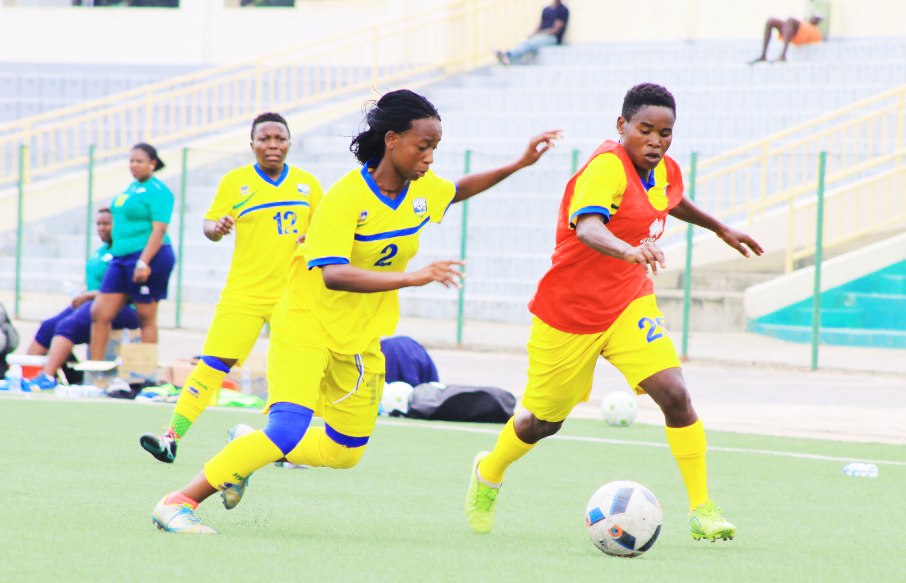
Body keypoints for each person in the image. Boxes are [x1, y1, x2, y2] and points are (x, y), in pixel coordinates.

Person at [150, 88, 562, 534]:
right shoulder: (345, 197)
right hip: (306, 324)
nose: (429, 157)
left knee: (344, 451)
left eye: (434, 148)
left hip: (361, 339)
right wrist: (413, 277)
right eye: (423, 146)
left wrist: (518, 164)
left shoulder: (421, 190)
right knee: (288, 427)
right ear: (391, 140)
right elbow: (333, 274)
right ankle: (179, 501)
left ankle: (250, 446)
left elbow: (457, 190)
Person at [464, 83, 765, 543]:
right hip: (568, 314)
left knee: (676, 395)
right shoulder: (605, 169)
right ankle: (489, 472)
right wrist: (630, 251)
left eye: (665, 133)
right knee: (544, 421)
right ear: (621, 126)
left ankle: (702, 509)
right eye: (645, 130)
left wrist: (719, 227)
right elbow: (588, 227)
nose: (656, 141)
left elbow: (670, 199)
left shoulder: (662, 168)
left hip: (628, 303)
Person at [139, 112, 323, 464]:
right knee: (212, 365)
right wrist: (218, 226)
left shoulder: (308, 185)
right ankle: (171, 437)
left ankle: (287, 445)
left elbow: (325, 233)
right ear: (252, 144)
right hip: (244, 294)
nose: (273, 145)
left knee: (297, 372)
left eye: (279, 138)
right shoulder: (236, 182)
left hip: (294, 296)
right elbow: (209, 224)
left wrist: (310, 239)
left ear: (289, 143)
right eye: (265, 139)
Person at [26, 208, 140, 389]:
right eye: (99, 224)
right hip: (93, 302)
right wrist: (84, 293)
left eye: (107, 224)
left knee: (67, 326)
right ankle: (27, 376)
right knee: (48, 326)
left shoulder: (125, 252)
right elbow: (97, 283)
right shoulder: (101, 251)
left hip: (120, 308)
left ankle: (47, 377)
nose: (102, 228)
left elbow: (124, 291)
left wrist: (89, 295)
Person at [89, 143, 175, 362]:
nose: (134, 165)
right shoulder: (131, 188)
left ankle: (145, 373)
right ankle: (95, 372)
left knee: (146, 317)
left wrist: (143, 262)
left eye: (139, 161)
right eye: (131, 161)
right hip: (120, 257)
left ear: (152, 164)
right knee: (100, 313)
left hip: (147, 257)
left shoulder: (159, 191)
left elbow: (159, 229)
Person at [749, 0, 831, 63]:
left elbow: (814, 22)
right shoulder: (809, 3)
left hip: (817, 34)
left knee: (791, 20)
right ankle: (763, 56)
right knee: (771, 21)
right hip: (805, 32)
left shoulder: (822, 2)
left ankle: (783, 55)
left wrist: (794, 26)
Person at [495, 0, 569, 66]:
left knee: (530, 44)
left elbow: (555, 30)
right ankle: (510, 57)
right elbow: (539, 25)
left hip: (552, 38)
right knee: (527, 41)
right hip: (541, 35)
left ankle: (508, 54)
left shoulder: (562, 10)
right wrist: (533, 34)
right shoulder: (546, 9)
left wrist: (540, 33)